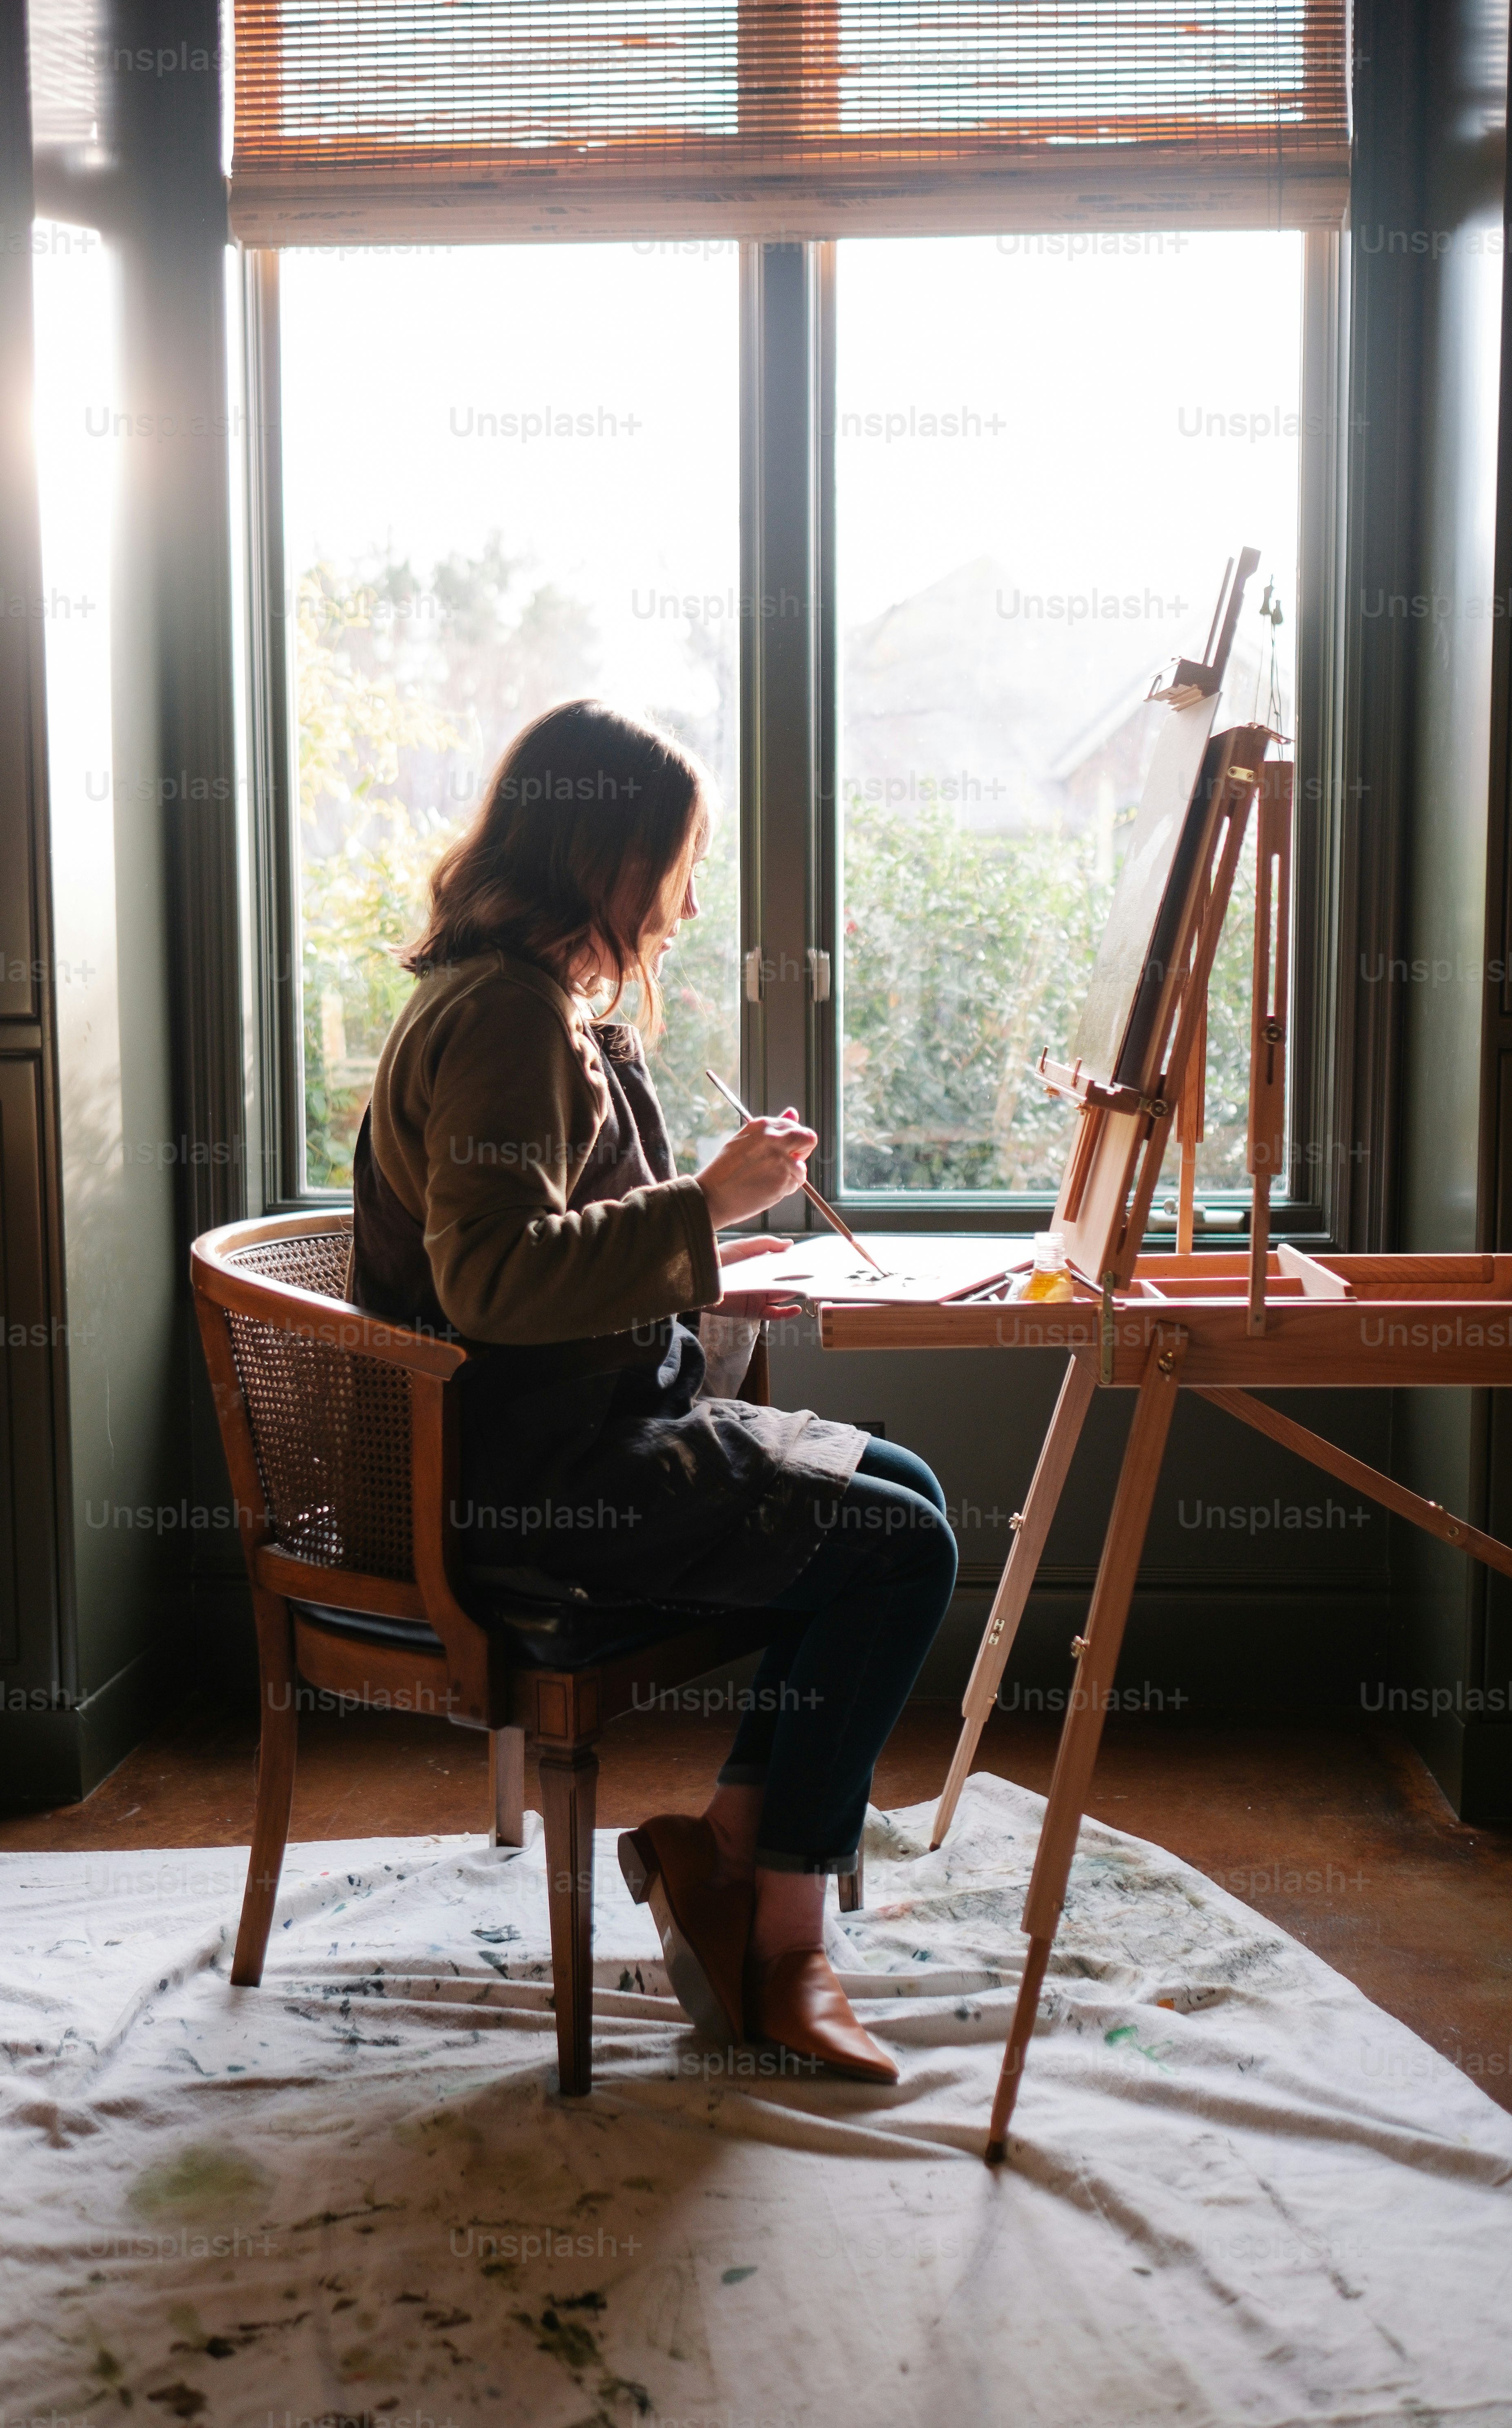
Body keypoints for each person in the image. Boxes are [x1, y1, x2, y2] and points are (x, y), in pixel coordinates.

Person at [350, 698, 957, 2084]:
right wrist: (703, 1207)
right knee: (904, 1544)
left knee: (906, 1494)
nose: (688, 899)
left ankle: (733, 1855)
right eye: (677, 862)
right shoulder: (508, 1019)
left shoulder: (524, 1002)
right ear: (604, 856)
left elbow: (550, 1260)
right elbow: (495, 1279)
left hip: (568, 1440)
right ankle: (781, 1934)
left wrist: (709, 1260)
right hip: (537, 1487)